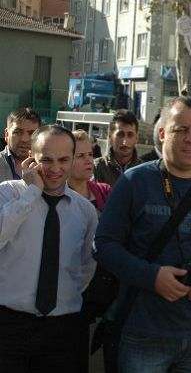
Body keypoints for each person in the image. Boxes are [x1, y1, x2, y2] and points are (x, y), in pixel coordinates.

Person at [93, 97, 191, 373]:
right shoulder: (134, 182)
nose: (190, 139)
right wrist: (152, 277)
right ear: (162, 133)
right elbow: (104, 245)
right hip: (142, 333)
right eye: (181, 130)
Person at [0, 125, 98, 372]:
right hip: (8, 326)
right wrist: (32, 192)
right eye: (46, 160)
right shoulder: (9, 193)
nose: (55, 169)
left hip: (62, 331)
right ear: (31, 159)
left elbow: (87, 267)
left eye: (64, 160)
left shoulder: (85, 211)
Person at [68, 129, 114, 373]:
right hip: (73, 293)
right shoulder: (59, 196)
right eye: (80, 155)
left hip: (104, 291)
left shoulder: (104, 191)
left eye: (90, 154)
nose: (89, 160)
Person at [93, 109, 143, 185]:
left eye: (130, 135)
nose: (125, 142)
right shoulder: (96, 168)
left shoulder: (145, 170)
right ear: (110, 137)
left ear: (136, 138)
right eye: (120, 135)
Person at [0, 107, 41, 182]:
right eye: (18, 132)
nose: (24, 139)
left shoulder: (48, 167)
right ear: (7, 134)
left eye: (32, 133)